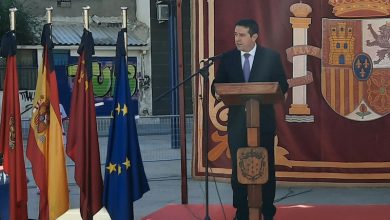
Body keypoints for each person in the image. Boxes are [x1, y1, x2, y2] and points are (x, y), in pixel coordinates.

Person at [212, 19, 289, 220]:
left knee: (265, 165)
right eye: (235, 35)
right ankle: (242, 210)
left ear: (254, 36)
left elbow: (282, 84)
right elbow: (217, 85)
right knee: (240, 167)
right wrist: (219, 92)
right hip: (237, 124)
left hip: (263, 122)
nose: (237, 39)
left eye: (242, 35)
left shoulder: (270, 57)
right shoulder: (228, 58)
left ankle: (267, 210)